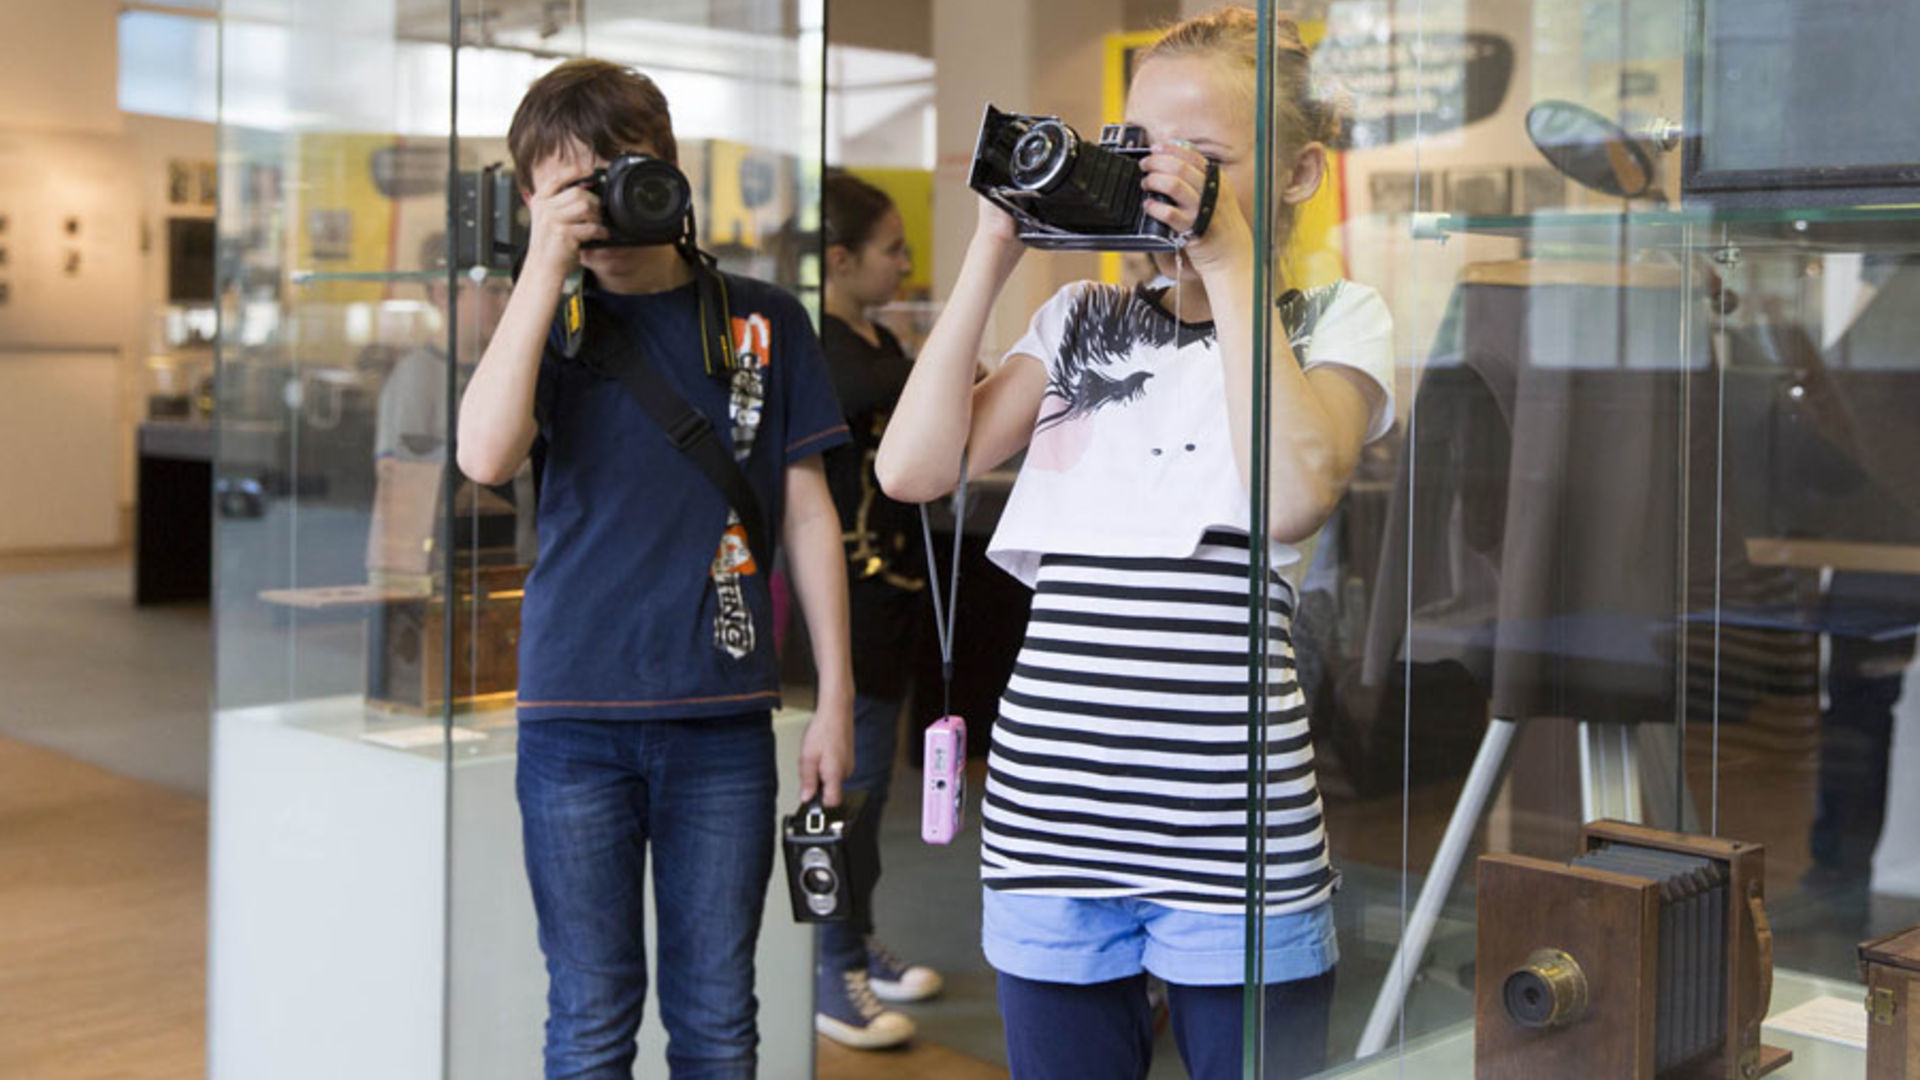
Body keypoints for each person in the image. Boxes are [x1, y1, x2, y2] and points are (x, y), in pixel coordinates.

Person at [875, 9, 1394, 1079]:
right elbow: (913, 471)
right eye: (1143, 152)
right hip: (1049, 823)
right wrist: (990, 248)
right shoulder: (1083, 321)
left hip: (1235, 833)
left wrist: (1230, 254)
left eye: (1206, 158)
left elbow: (1292, 493)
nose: (1167, 183)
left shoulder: (1336, 320)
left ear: (1297, 173)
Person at [455, 59, 856, 1080]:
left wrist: (837, 699)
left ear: (665, 174)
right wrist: (544, 270)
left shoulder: (766, 319)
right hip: (572, 719)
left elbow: (811, 514)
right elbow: (484, 458)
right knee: (589, 1019)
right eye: (566, 192)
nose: (599, 214)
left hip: (722, 719)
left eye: (612, 181)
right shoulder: (542, 324)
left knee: (720, 1021)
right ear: (531, 200)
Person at [811, 170, 944, 1049]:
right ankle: (829, 968)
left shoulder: (880, 342)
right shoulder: (821, 346)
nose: (904, 266)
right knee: (838, 794)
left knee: (875, 791)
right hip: (844, 605)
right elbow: (885, 397)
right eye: (893, 251)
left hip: (894, 598)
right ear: (839, 259)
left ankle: (856, 939)